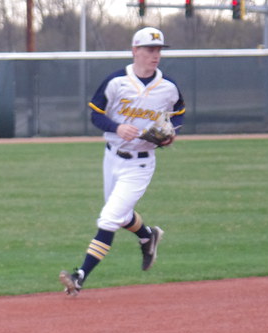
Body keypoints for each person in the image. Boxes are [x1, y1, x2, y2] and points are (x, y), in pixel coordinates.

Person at [59, 27, 185, 296]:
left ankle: (79, 276)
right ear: (135, 51)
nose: (155, 55)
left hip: (141, 163)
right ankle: (147, 236)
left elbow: (178, 115)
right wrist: (116, 127)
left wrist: (170, 134)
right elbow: (95, 114)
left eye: (159, 50)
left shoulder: (168, 87)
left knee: (108, 219)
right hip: (112, 157)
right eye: (150, 50)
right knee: (121, 214)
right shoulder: (116, 81)